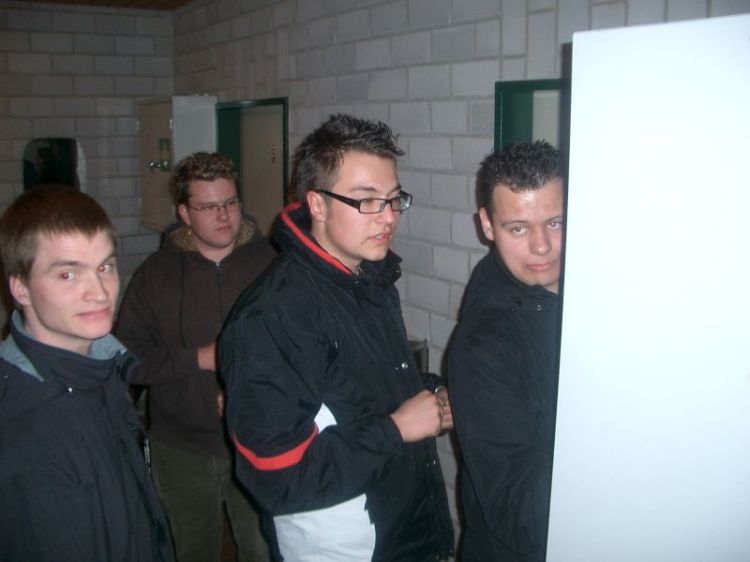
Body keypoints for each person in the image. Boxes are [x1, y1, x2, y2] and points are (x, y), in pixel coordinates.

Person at [219, 114, 455, 562]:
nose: (389, 216)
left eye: (394, 199)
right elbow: (277, 478)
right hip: (342, 549)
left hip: (404, 532)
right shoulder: (274, 316)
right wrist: (396, 429)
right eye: (367, 201)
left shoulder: (368, 277)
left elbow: (356, 389)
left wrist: (428, 394)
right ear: (317, 204)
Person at [115, 152, 275, 562]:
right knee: (191, 551)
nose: (224, 216)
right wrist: (198, 359)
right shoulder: (156, 274)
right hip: (179, 448)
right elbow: (126, 359)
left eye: (231, 202)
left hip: (257, 440)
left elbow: (298, 346)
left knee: (261, 550)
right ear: (184, 213)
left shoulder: (272, 265)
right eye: (209, 206)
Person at [0, 185, 173, 562]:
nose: (99, 292)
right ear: (21, 289)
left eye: (104, 267)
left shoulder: (100, 371)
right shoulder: (30, 433)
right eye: (68, 274)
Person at [447, 140, 564, 561]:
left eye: (555, 223)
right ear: (487, 224)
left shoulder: (600, 295)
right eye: (518, 228)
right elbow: (520, 513)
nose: (541, 246)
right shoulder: (482, 347)